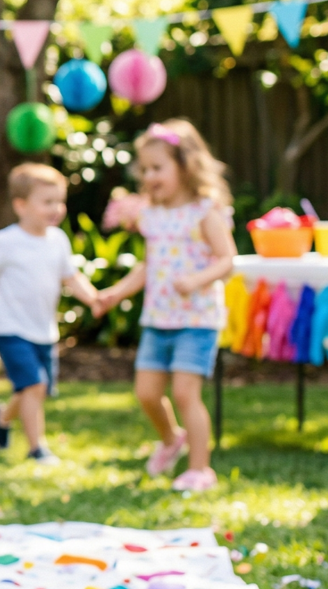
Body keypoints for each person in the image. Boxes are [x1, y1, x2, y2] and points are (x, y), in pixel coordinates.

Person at [95, 119, 235, 492]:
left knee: (186, 393)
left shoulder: (205, 211)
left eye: (158, 167)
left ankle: (200, 469)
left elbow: (227, 259)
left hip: (197, 319)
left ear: (185, 165)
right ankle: (173, 439)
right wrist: (115, 293)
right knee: (147, 393)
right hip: (158, 319)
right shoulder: (152, 215)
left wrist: (196, 280)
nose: (149, 176)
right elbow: (148, 266)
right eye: (145, 169)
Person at [0, 163, 100, 465]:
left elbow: (71, 277)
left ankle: (2, 418)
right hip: (10, 329)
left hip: (44, 330)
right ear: (20, 205)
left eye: (59, 201)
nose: (56, 209)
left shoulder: (58, 240)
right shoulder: (5, 241)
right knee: (34, 385)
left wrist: (94, 299)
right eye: (47, 202)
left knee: (33, 389)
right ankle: (37, 449)